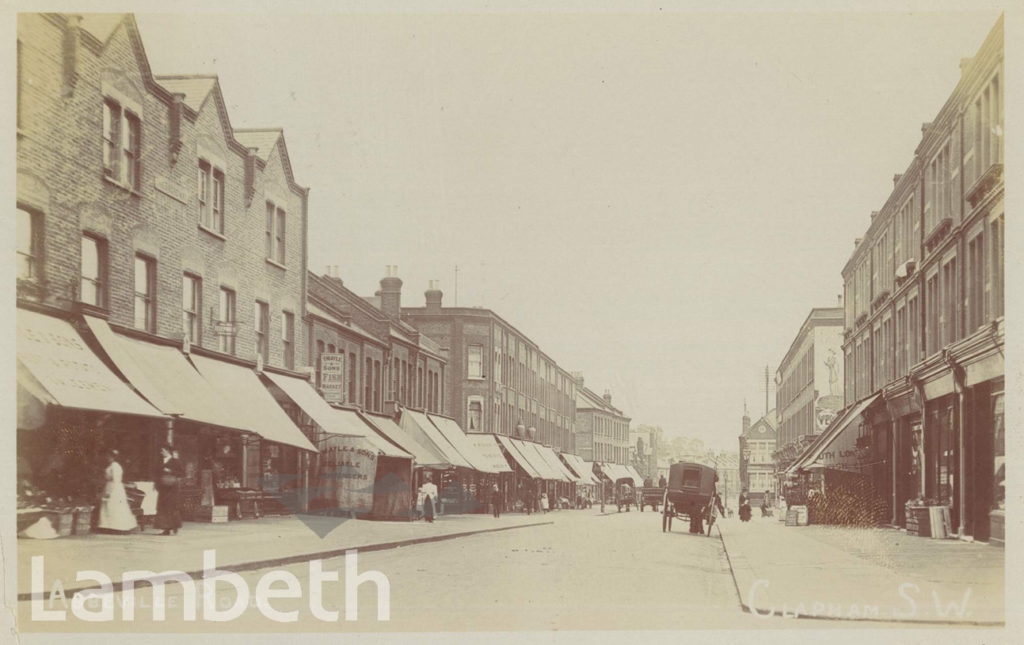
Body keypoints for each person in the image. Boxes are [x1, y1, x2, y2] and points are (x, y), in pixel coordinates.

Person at [97, 450, 137, 533]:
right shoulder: (112, 465)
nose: (107, 458)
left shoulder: (115, 466)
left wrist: (109, 492)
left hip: (114, 487)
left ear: (113, 457)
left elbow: (116, 480)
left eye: (109, 457)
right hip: (110, 485)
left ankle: (118, 527)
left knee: (114, 506)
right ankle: (109, 526)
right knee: (109, 506)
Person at [154, 445, 184, 536]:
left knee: (171, 506)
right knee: (162, 507)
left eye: (162, 451)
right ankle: (165, 529)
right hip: (162, 487)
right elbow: (156, 472)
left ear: (168, 451)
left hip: (172, 487)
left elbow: (182, 473)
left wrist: (170, 471)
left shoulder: (175, 461)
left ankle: (174, 526)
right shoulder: (160, 461)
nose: (161, 452)